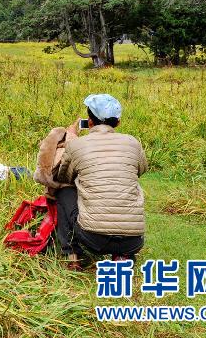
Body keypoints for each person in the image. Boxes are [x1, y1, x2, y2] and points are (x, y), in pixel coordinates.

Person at [54, 94, 148, 267]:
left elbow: (63, 177)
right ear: (118, 122)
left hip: (93, 238)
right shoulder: (133, 143)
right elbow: (140, 170)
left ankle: (72, 256)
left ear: (89, 122)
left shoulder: (77, 145)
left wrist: (70, 139)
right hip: (134, 241)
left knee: (63, 191)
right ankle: (122, 255)